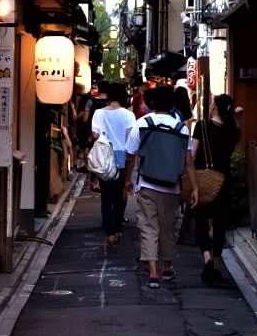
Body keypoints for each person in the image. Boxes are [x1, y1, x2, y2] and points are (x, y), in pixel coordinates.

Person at [123, 84, 195, 288]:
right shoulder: (181, 127)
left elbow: (130, 155)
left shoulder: (142, 124)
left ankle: (153, 273)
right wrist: (195, 187)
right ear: (172, 104)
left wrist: (127, 180)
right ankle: (167, 266)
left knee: (148, 227)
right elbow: (188, 160)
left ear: (152, 103)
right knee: (168, 227)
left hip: (147, 184)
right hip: (172, 187)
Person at [192, 94, 242, 286]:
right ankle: (218, 261)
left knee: (202, 219)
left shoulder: (202, 126)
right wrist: (238, 119)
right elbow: (237, 135)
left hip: (204, 180)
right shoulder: (231, 131)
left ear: (214, 107)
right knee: (220, 222)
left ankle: (207, 258)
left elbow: (193, 152)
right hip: (223, 181)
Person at [89, 83, 135, 247]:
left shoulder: (99, 113)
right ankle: (117, 228)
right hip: (121, 157)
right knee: (120, 193)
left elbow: (95, 135)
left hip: (104, 157)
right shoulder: (128, 115)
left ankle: (109, 231)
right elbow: (131, 139)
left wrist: (104, 137)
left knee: (106, 195)